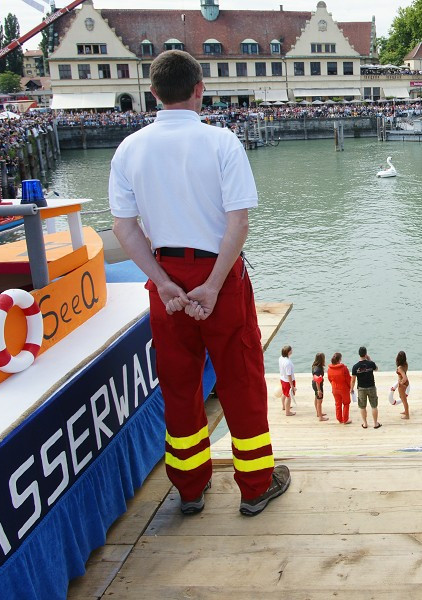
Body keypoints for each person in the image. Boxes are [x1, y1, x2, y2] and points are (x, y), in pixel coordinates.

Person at [109, 50, 289, 517]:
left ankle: (189, 488)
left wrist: (164, 283)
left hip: (164, 275)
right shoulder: (222, 142)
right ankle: (254, 485)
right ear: (199, 89)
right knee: (241, 378)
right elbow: (239, 223)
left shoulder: (129, 149)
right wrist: (211, 286)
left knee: (179, 382)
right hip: (219, 275)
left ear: (153, 94)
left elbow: (125, 229)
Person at [352, 346, 381, 429]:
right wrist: (370, 360)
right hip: (371, 386)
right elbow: (376, 369)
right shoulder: (371, 363)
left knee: (362, 406)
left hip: (361, 388)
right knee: (374, 406)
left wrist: (351, 389)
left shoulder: (355, 366)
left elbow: (353, 380)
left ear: (359, 354)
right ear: (366, 354)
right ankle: (375, 423)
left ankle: (365, 423)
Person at [326, 352, 352, 424]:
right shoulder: (344, 368)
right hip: (344, 388)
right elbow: (348, 379)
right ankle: (345, 419)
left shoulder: (329, 369)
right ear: (340, 359)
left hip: (335, 388)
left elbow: (329, 379)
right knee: (346, 403)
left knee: (338, 403)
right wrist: (350, 387)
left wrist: (333, 385)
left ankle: (339, 418)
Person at [278, 345, 296, 416]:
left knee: (284, 393)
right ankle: (288, 412)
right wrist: (292, 386)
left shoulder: (281, 358)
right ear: (288, 352)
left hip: (282, 378)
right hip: (288, 381)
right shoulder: (288, 363)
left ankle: (284, 406)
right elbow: (289, 375)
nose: (292, 350)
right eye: (291, 350)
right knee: (289, 396)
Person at [311, 352, 329, 421]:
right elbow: (317, 380)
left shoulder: (314, 366)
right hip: (317, 385)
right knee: (319, 401)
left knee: (316, 398)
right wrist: (319, 390)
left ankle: (318, 413)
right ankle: (320, 417)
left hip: (314, 384)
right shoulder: (318, 369)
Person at [395, 350, 410, 419]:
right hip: (406, 384)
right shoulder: (405, 364)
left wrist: (400, 383)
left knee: (404, 400)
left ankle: (407, 415)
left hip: (403, 384)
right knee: (403, 398)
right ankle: (406, 411)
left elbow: (404, 378)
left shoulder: (400, 368)